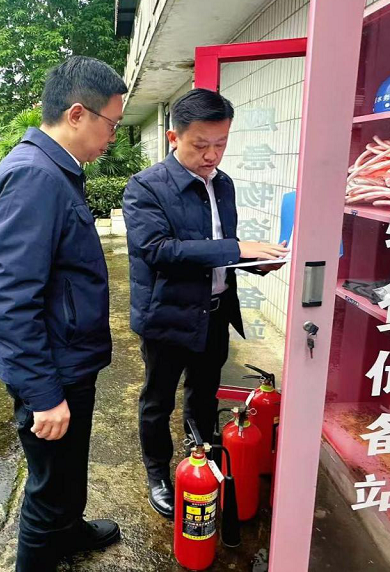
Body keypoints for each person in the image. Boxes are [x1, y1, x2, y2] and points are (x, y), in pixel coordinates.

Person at [0, 56, 126, 571]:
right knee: (48, 488)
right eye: (112, 123)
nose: (113, 137)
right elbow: (10, 299)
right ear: (78, 114)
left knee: (68, 469)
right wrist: (43, 394)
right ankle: (50, 540)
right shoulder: (33, 177)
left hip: (69, 357)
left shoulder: (57, 171)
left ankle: (70, 530)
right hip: (52, 367)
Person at [122, 88, 288, 518]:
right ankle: (157, 474)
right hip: (167, 314)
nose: (212, 155)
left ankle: (201, 456)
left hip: (214, 312)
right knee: (158, 400)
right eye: (200, 145)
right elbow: (158, 250)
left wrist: (257, 262)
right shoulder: (146, 187)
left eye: (221, 144)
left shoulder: (223, 184)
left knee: (204, 394)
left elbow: (219, 248)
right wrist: (237, 248)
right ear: (173, 137)